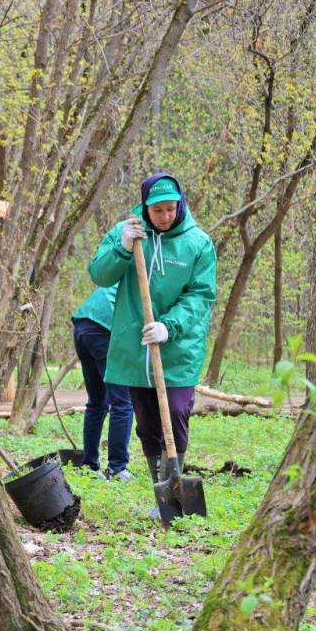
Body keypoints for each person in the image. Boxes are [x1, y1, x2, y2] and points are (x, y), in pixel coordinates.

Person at [88, 172, 217, 513]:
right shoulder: (127, 233)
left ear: (180, 204)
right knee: (146, 423)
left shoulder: (198, 243)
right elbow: (100, 275)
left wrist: (169, 325)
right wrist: (123, 247)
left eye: (170, 209)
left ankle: (177, 490)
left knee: (175, 412)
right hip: (137, 347)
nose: (165, 217)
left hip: (179, 346)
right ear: (145, 208)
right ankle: (162, 497)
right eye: (157, 210)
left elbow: (202, 295)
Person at [71, 285, 133, 480]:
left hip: (82, 326)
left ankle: (89, 465)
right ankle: (117, 467)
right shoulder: (150, 280)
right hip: (104, 327)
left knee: (97, 402)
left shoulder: (121, 273)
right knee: (123, 401)